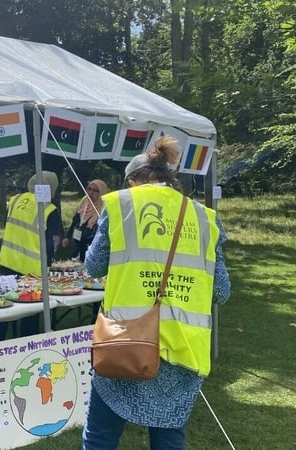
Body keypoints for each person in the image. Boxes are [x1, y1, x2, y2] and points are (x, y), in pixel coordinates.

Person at [81, 136, 231, 449]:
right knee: (169, 439)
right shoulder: (206, 218)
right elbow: (221, 291)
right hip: (182, 348)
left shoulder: (121, 203)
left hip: (126, 340)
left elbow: (93, 266)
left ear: (133, 181)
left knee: (100, 438)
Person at [0, 170, 64, 342]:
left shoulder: (15, 200)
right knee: (30, 314)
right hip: (33, 271)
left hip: (8, 263)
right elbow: (52, 243)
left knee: (3, 308)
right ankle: (26, 350)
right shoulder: (49, 210)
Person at [62, 179, 109, 262]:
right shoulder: (83, 204)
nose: (91, 193)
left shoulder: (104, 209)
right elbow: (75, 222)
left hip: (91, 250)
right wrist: (68, 238)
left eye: (95, 191)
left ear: (101, 193)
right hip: (76, 247)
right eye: (89, 189)